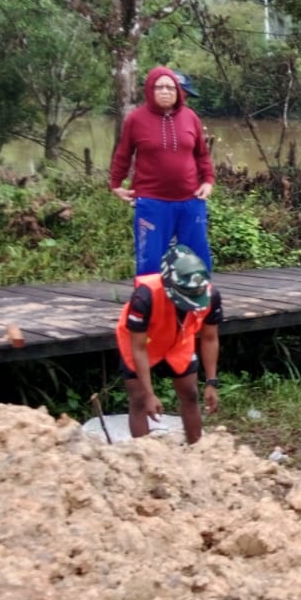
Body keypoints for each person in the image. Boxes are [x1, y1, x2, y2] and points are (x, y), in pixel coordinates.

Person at [109, 66, 216, 277]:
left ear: (178, 91)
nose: (165, 92)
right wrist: (115, 184)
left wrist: (208, 181)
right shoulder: (136, 119)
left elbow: (202, 155)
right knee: (150, 260)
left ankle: (198, 308)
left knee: (196, 259)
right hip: (152, 203)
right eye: (159, 87)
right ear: (150, 90)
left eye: (170, 87)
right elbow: (123, 154)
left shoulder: (190, 117)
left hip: (191, 200)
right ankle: (151, 306)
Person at [115, 244, 222, 444]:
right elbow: (138, 348)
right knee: (138, 399)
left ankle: (197, 450)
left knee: (190, 394)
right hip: (142, 343)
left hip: (179, 340)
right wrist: (149, 394)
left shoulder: (210, 296)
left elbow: (209, 338)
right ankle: (146, 459)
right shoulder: (144, 297)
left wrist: (211, 382)